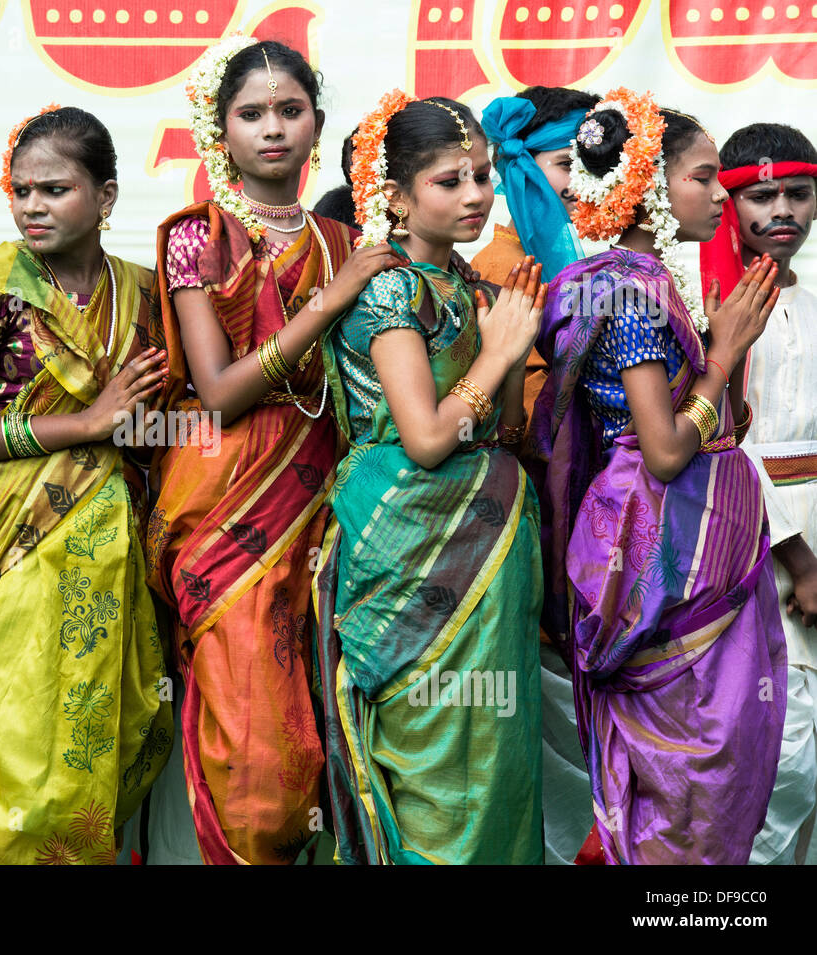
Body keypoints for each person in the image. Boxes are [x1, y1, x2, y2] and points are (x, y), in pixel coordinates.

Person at [149, 37, 401, 865]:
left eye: (289, 111)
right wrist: (331, 301)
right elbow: (217, 390)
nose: (272, 129)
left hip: (328, 501)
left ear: (316, 125)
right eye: (251, 114)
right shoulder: (201, 238)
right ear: (220, 131)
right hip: (226, 505)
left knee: (323, 711)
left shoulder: (340, 237)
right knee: (255, 740)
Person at [533, 90, 787, 864]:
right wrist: (725, 352)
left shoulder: (608, 277)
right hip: (665, 555)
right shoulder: (635, 288)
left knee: (674, 780)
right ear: (648, 185)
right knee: (699, 776)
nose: (723, 195)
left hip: (644, 547)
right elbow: (668, 448)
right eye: (705, 178)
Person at [0, 105, 172, 865]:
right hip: (11, 550)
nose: (32, 205)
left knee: (102, 738)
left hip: (111, 556)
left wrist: (132, 435)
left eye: (55, 189)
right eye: (21, 190)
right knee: (17, 742)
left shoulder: (143, 291)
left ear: (107, 195)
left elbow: (158, 423)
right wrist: (87, 423)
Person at [316, 91, 546, 865]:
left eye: (482, 176)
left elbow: (503, 429)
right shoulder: (389, 287)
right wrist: (497, 352)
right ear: (397, 197)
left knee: (495, 763)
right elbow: (426, 438)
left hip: (490, 555)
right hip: (408, 546)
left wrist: (508, 344)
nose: (477, 195)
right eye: (450, 181)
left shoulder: (478, 293)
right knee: (429, 767)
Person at [474, 86, 600, 864]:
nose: (582, 183)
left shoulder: (602, 255)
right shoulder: (497, 264)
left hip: (607, 508)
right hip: (538, 509)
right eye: (564, 164)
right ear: (520, 165)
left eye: (592, 163)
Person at [702, 122, 817, 865]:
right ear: (730, 205)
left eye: (799, 194)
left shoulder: (810, 303)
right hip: (760, 547)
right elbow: (727, 444)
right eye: (763, 195)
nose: (783, 210)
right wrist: (801, 561)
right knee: (786, 759)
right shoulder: (716, 301)